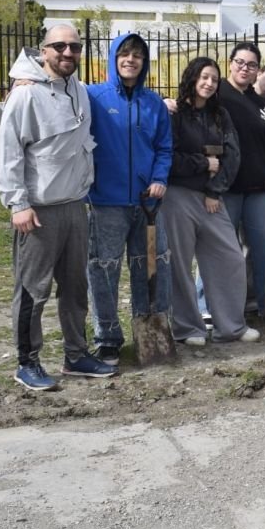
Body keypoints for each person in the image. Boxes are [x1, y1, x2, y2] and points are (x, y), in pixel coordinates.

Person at [0, 24, 117, 390]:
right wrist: (18, 203)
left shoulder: (79, 91)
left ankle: (76, 354)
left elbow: (116, 98)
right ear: (43, 50)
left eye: (75, 47)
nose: (68, 53)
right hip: (38, 211)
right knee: (34, 290)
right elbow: (10, 152)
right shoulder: (25, 95)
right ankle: (26, 361)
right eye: (60, 46)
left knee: (75, 287)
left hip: (74, 206)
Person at [86, 33, 172, 365]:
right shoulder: (93, 96)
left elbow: (164, 147)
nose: (130, 60)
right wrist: (23, 83)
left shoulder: (154, 104)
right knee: (103, 269)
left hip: (147, 202)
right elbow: (57, 91)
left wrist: (159, 178)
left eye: (137, 55)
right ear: (113, 58)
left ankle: (151, 328)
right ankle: (107, 337)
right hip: (106, 201)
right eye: (124, 54)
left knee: (152, 266)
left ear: (144, 61)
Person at [164, 57, 259, 345]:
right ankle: (188, 328)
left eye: (214, 79)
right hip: (177, 195)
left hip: (210, 198)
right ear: (192, 78)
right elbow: (167, 158)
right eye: (204, 77)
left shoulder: (220, 115)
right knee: (179, 264)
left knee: (229, 257)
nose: (208, 83)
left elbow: (232, 155)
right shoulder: (174, 113)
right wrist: (202, 163)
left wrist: (214, 190)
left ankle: (230, 327)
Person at [218, 42, 265, 324]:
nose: (244, 68)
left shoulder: (263, 106)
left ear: (257, 70)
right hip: (224, 190)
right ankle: (212, 307)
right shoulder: (216, 95)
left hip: (261, 189)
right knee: (220, 250)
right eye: (240, 62)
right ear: (230, 63)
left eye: (251, 65)